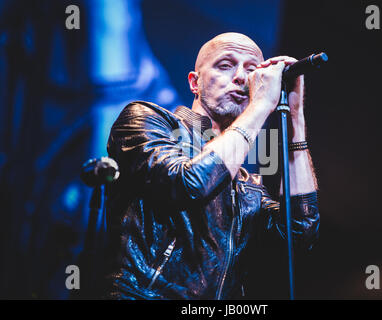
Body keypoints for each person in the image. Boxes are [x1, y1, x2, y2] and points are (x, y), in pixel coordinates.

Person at [103, 32, 320, 299]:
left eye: (252, 70)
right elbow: (188, 184)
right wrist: (261, 104)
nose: (242, 78)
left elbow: (300, 231)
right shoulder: (146, 120)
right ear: (195, 82)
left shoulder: (246, 184)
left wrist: (295, 117)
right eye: (226, 65)